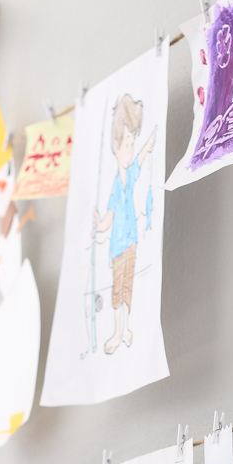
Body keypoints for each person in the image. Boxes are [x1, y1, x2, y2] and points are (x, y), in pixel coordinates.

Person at [93, 94, 156, 354]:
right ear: (116, 148)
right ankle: (118, 332)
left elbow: (140, 159)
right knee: (117, 289)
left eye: (132, 145)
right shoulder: (114, 186)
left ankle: (124, 330)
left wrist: (151, 140)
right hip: (117, 247)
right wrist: (98, 226)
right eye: (126, 146)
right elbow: (108, 217)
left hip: (130, 242)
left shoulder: (129, 176)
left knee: (127, 286)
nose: (130, 151)